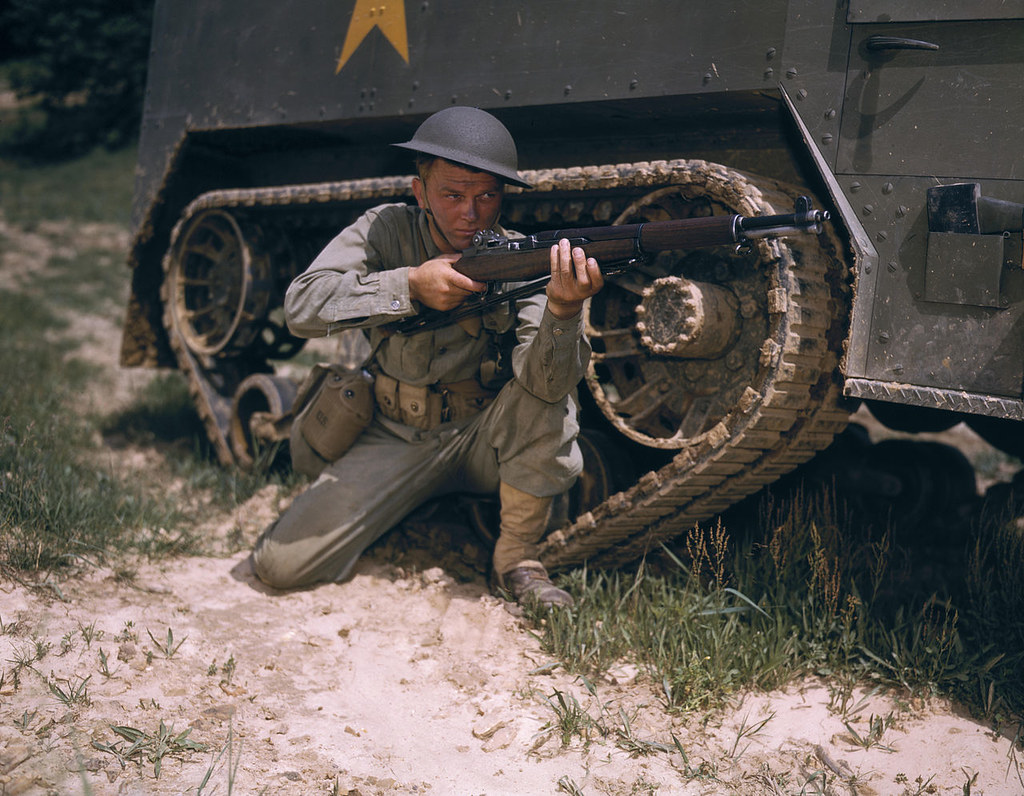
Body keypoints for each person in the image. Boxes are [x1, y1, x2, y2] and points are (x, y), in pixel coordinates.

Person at [251, 106, 603, 608]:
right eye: (452, 195)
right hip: (392, 431)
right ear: (421, 193)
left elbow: (549, 384)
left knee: (545, 400)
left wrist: (565, 311)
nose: (471, 213)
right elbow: (301, 306)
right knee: (279, 565)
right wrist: (407, 285)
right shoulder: (386, 230)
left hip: (484, 436)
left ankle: (517, 559)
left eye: (487, 195)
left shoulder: (522, 257)